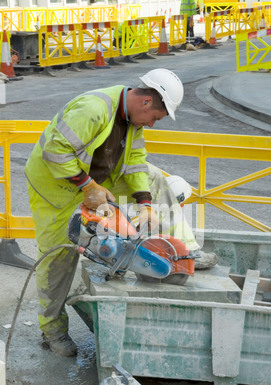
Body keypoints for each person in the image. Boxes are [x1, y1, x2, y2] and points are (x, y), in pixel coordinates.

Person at [25, 68, 218, 357]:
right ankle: (52, 331)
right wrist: (86, 186)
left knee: (154, 176)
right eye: (155, 118)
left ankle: (185, 251)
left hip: (95, 181)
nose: (152, 125)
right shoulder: (93, 109)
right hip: (57, 188)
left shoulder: (133, 121)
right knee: (58, 258)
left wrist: (146, 204)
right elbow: (55, 152)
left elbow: (137, 162)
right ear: (146, 103)